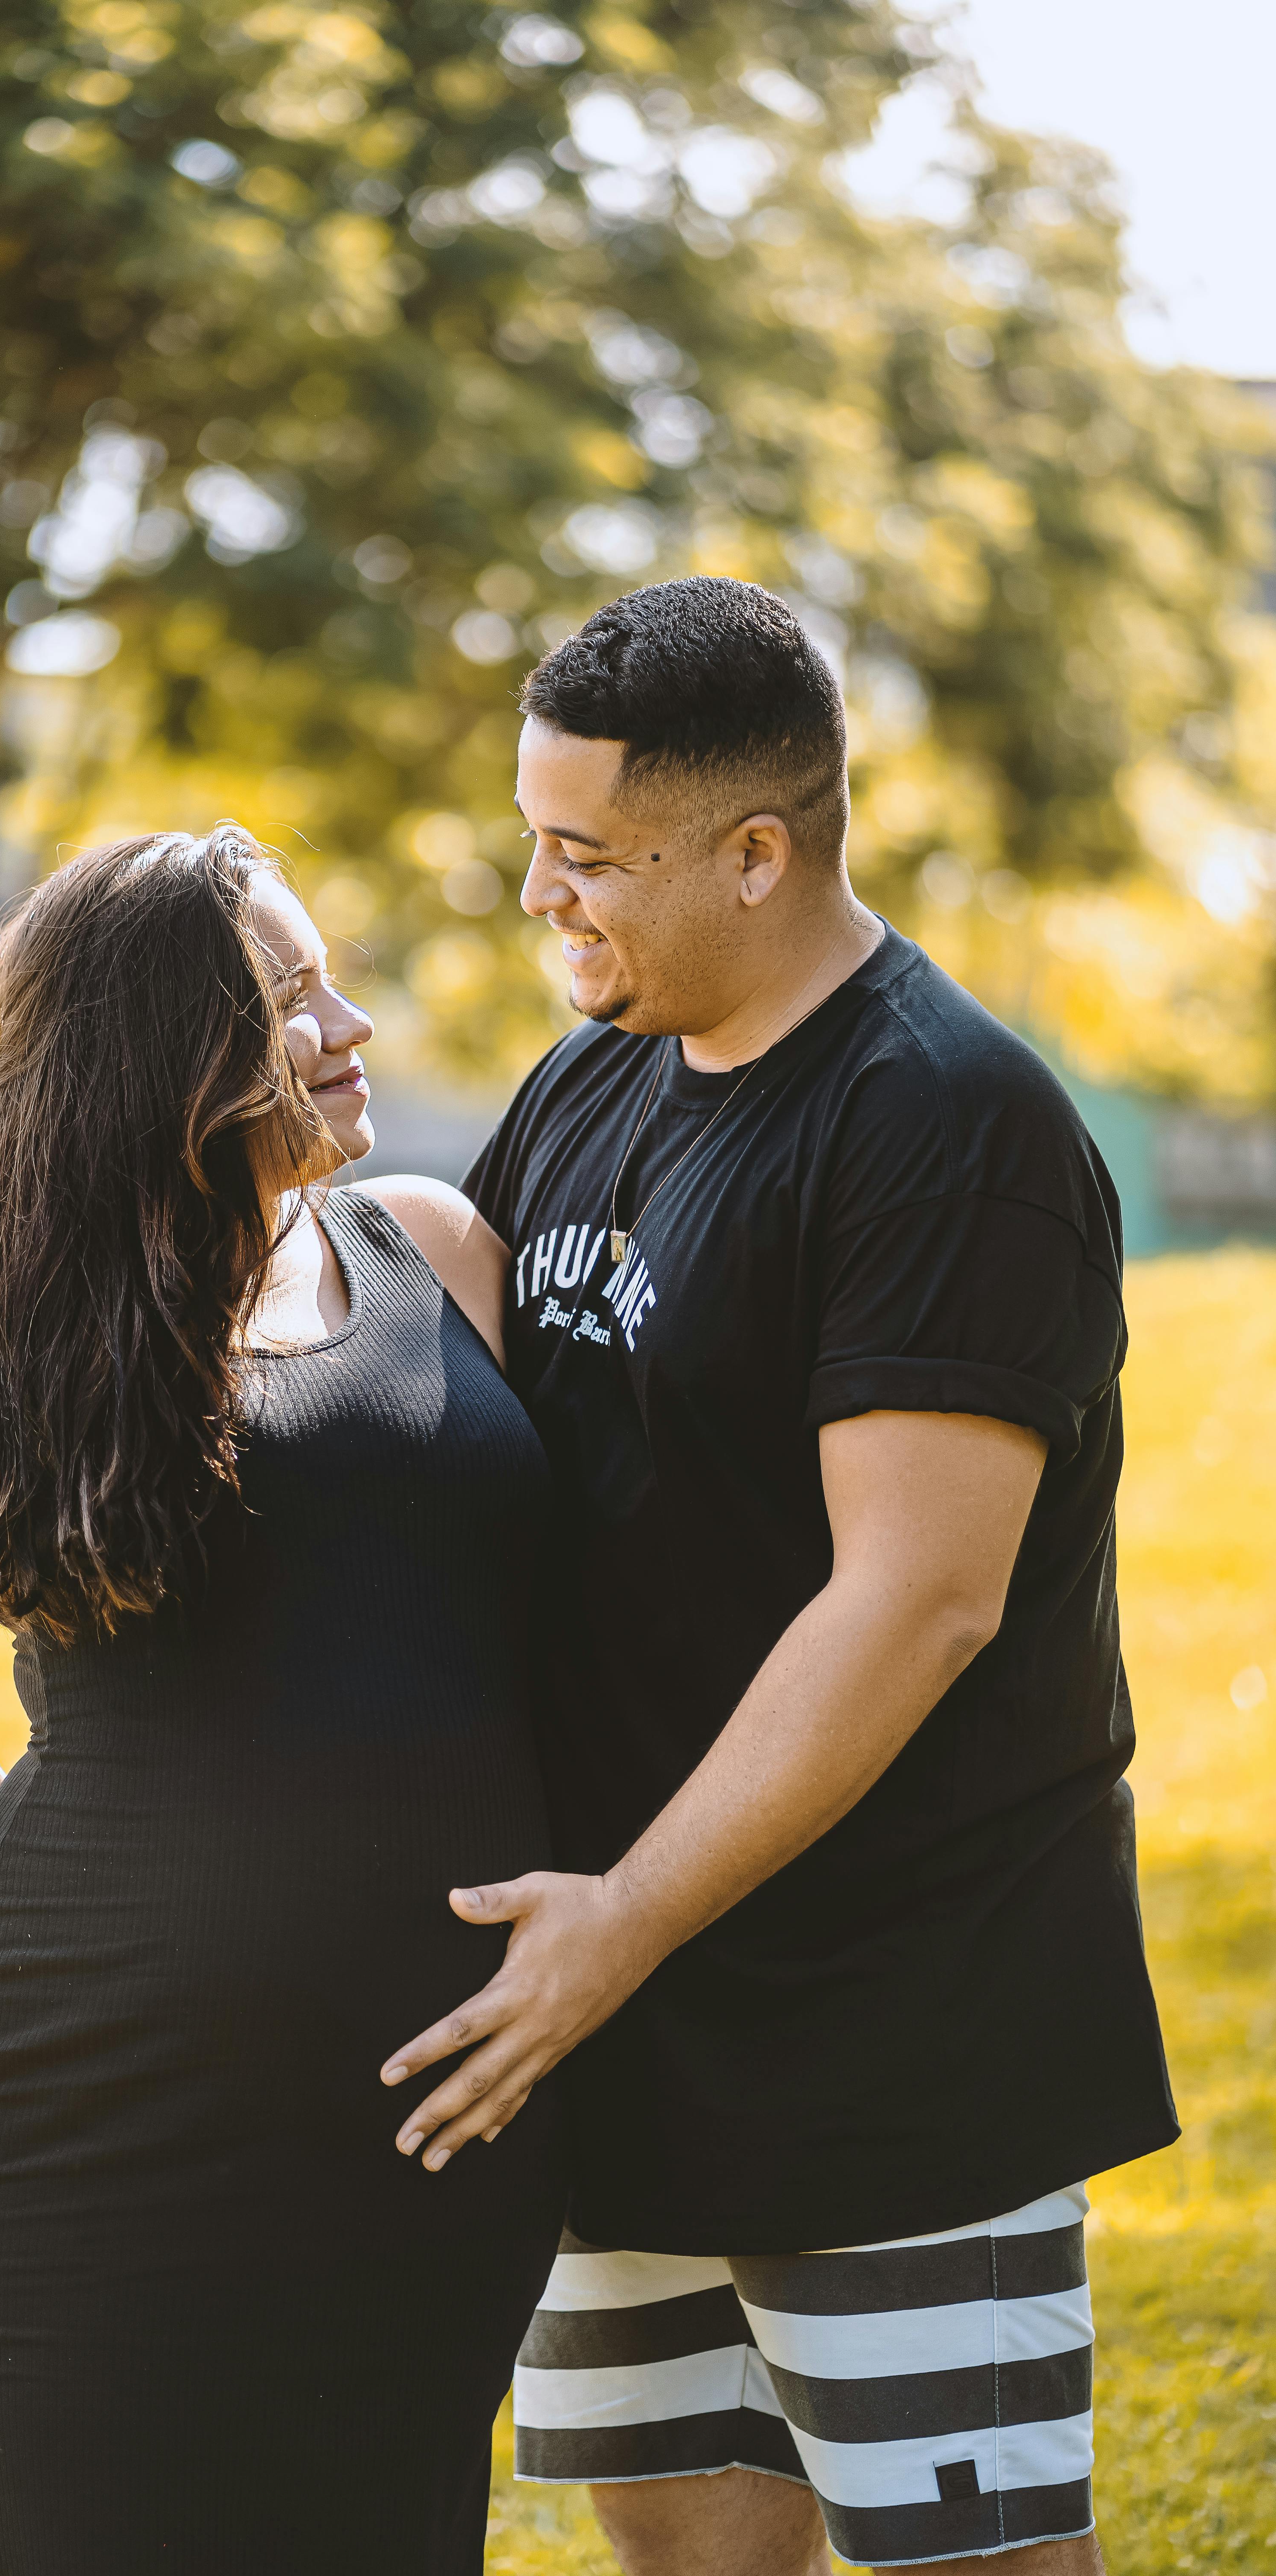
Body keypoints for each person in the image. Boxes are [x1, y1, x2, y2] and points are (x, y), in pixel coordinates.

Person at [379, 578, 1176, 2575]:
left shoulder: (943, 1126)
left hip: (886, 2020)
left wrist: (624, 1916)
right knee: (686, 2555)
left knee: (961, 2557)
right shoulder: (589, 1078)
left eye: (588, 858)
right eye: (530, 842)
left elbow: (918, 1600)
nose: (542, 898)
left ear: (759, 852)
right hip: (618, 2003)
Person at [0, 829, 567, 2576]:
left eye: (329, 978)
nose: (347, 1025)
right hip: (74, 2113)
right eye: (285, 1002)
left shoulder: (440, 1255)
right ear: (162, 1055)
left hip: (425, 2102)